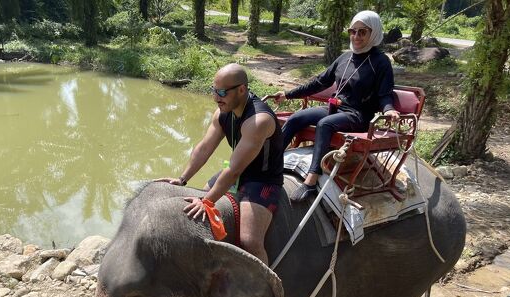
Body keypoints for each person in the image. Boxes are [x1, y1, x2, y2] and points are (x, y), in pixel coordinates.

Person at [268, 10, 400, 203]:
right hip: (336, 109)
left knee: (325, 124)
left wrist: (389, 109)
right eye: (352, 31)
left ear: (374, 33)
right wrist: (288, 94)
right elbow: (319, 82)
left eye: (362, 32)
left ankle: (311, 181)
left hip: (359, 115)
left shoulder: (380, 62)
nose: (356, 36)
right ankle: (271, 163)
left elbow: (385, 93)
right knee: (297, 118)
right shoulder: (345, 58)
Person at [158, 63, 284, 265]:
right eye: (214, 91)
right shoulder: (222, 112)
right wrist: (182, 179)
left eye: (222, 92)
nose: (216, 98)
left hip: (262, 179)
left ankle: (265, 291)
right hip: (237, 170)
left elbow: (233, 170)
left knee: (250, 240)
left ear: (242, 89)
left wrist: (207, 202)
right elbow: (204, 148)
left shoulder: (258, 120)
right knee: (198, 204)